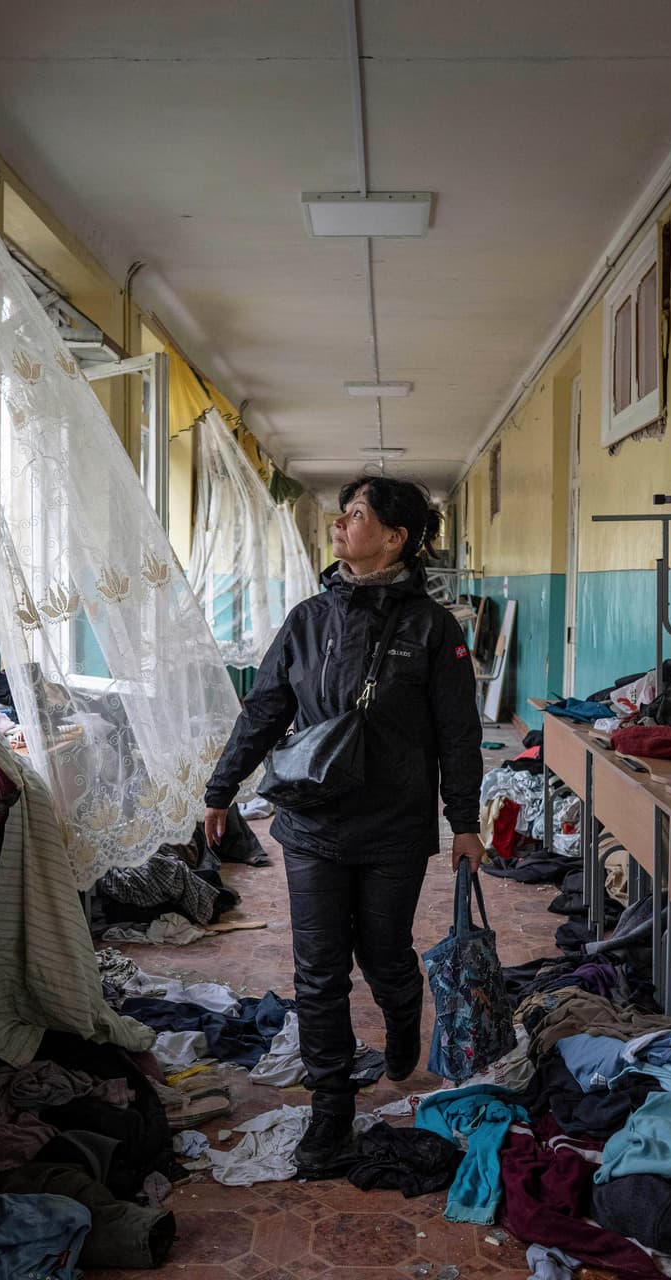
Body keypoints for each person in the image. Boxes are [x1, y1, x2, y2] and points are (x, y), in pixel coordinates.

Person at [202, 476, 484, 1175]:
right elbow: (264, 709)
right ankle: (331, 1108)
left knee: (384, 950)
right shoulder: (307, 620)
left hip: (394, 825)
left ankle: (400, 1010)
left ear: (395, 537)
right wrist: (222, 786)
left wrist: (466, 821)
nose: (340, 523)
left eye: (357, 515)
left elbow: (458, 732)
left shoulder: (432, 627)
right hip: (312, 821)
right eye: (344, 512)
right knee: (318, 969)